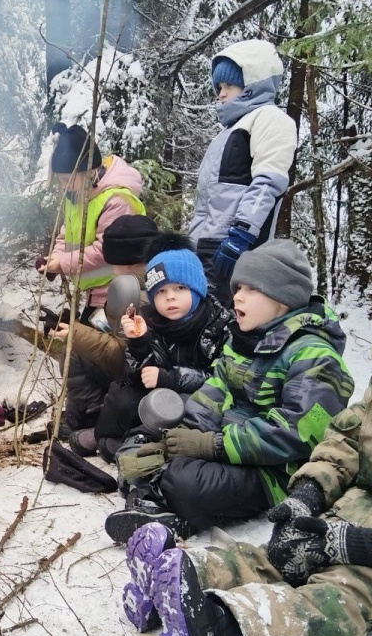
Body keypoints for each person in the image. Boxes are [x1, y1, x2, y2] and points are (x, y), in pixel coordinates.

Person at [123, 244, 372, 636]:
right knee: (283, 555)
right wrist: (311, 492)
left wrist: (367, 544)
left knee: (346, 592)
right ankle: (183, 576)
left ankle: (226, 633)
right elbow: (345, 439)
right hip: (354, 516)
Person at [106, 241, 353, 543]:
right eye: (237, 288)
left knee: (184, 479)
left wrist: (209, 445)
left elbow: (294, 434)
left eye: (250, 289)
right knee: (143, 439)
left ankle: (164, 503)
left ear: (282, 297)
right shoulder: (244, 340)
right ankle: (148, 498)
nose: (237, 296)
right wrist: (180, 435)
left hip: (274, 473)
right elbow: (213, 393)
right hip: (227, 449)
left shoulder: (315, 357)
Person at [46, 216, 188, 439]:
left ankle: (90, 416)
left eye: (113, 262)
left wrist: (75, 333)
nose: (111, 269)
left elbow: (123, 356)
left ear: (128, 260)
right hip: (149, 375)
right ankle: (94, 411)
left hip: (146, 379)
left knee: (75, 351)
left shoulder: (139, 297)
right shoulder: (144, 283)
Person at [87, 247, 230, 462]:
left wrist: (170, 378)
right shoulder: (151, 320)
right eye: (161, 292)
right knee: (123, 392)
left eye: (180, 288)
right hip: (160, 398)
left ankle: (145, 447)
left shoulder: (220, 325)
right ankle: (107, 437)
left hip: (202, 404)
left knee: (180, 402)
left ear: (197, 289)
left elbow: (222, 379)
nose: (170, 297)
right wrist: (139, 342)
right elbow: (135, 376)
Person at [188, 39, 298, 304]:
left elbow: (267, 183)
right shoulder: (226, 133)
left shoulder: (271, 119)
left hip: (236, 246)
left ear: (252, 84)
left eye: (229, 85)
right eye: (219, 87)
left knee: (223, 323)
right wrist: (191, 246)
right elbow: (207, 200)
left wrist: (240, 236)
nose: (221, 94)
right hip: (207, 245)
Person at [39, 123, 145, 314]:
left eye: (66, 179)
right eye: (60, 180)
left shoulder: (116, 201)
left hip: (117, 293)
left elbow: (103, 250)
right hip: (94, 292)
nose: (63, 186)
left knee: (104, 343)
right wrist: (55, 258)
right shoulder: (77, 195)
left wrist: (63, 262)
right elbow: (66, 234)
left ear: (88, 172)